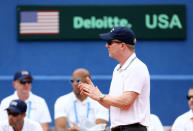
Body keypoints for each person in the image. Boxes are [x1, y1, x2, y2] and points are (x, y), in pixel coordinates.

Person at [78, 26, 150, 131]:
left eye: (110, 42)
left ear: (122, 45)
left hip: (133, 128)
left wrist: (100, 96)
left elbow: (126, 102)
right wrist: (95, 95)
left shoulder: (137, 67)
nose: (106, 45)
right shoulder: (117, 69)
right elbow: (114, 105)